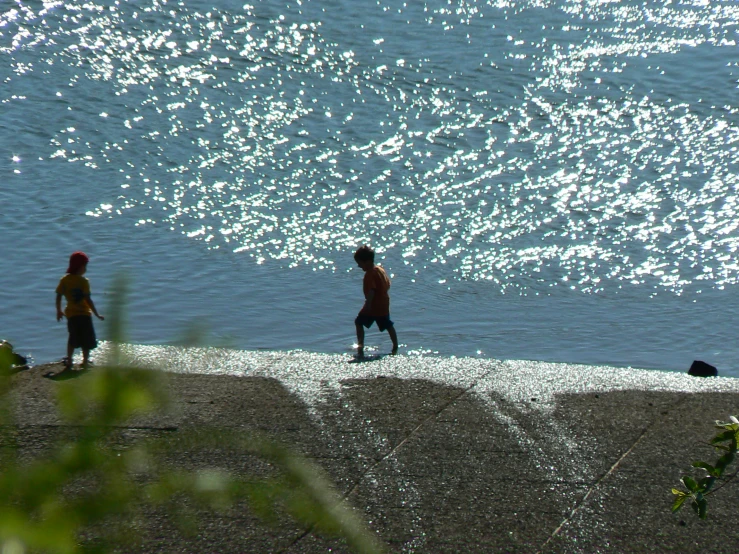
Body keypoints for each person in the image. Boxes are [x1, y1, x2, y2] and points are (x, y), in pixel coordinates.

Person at [55, 251, 104, 370]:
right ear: (80, 266)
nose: (85, 269)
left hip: (71, 314)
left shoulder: (65, 280)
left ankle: (70, 360)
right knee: (86, 339)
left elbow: (58, 295)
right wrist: (96, 314)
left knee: (72, 337)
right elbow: (88, 299)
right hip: (84, 314)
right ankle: (85, 361)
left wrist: (59, 310)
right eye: (85, 266)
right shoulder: (84, 282)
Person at [354, 245, 398, 358]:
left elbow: (372, 291)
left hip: (373, 306)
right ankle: (395, 346)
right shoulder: (380, 270)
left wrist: (368, 305)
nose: (358, 266)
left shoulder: (370, 274)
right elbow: (388, 284)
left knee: (359, 322)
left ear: (367, 262)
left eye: (360, 263)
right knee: (388, 324)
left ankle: (360, 345)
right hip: (384, 303)